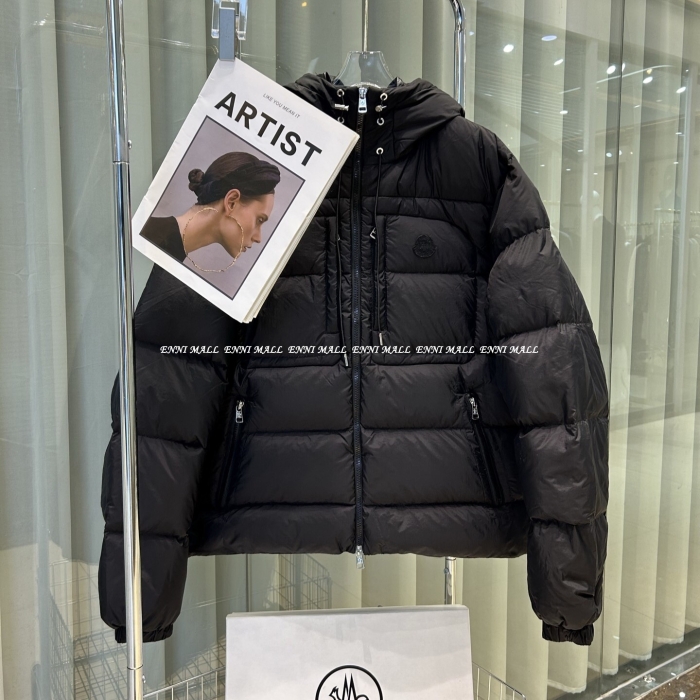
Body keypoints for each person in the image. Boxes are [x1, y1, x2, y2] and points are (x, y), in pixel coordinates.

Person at [140, 151, 281, 272]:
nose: (258, 238)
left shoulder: (161, 241)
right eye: (259, 220)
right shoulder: (146, 239)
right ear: (231, 202)